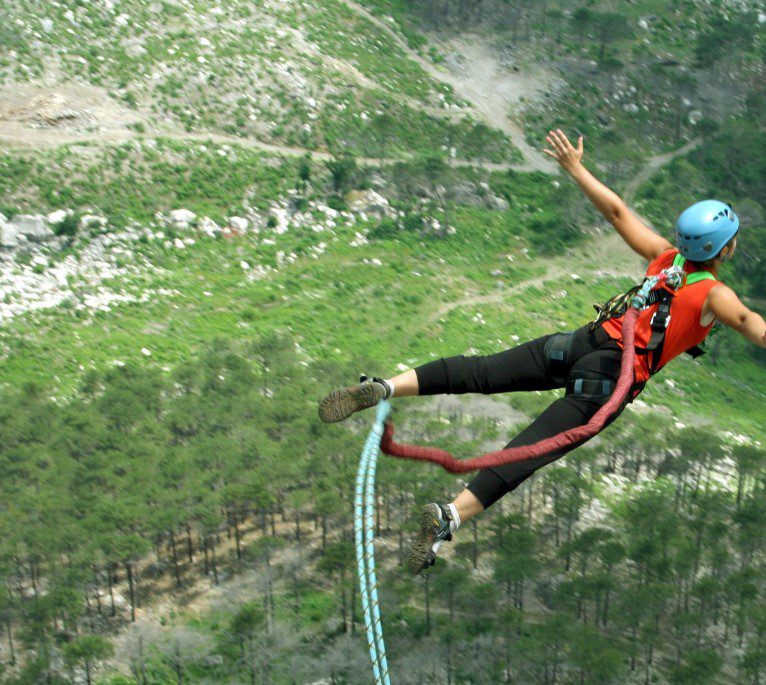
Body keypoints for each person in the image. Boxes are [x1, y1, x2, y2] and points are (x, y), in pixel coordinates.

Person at [319, 129, 766, 575]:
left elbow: (616, 212)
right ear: (724, 248)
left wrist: (575, 168)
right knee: (529, 449)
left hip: (581, 343)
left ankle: (384, 386)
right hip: (610, 379)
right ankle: (448, 517)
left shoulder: (664, 257)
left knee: (481, 371)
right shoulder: (713, 294)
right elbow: (753, 327)